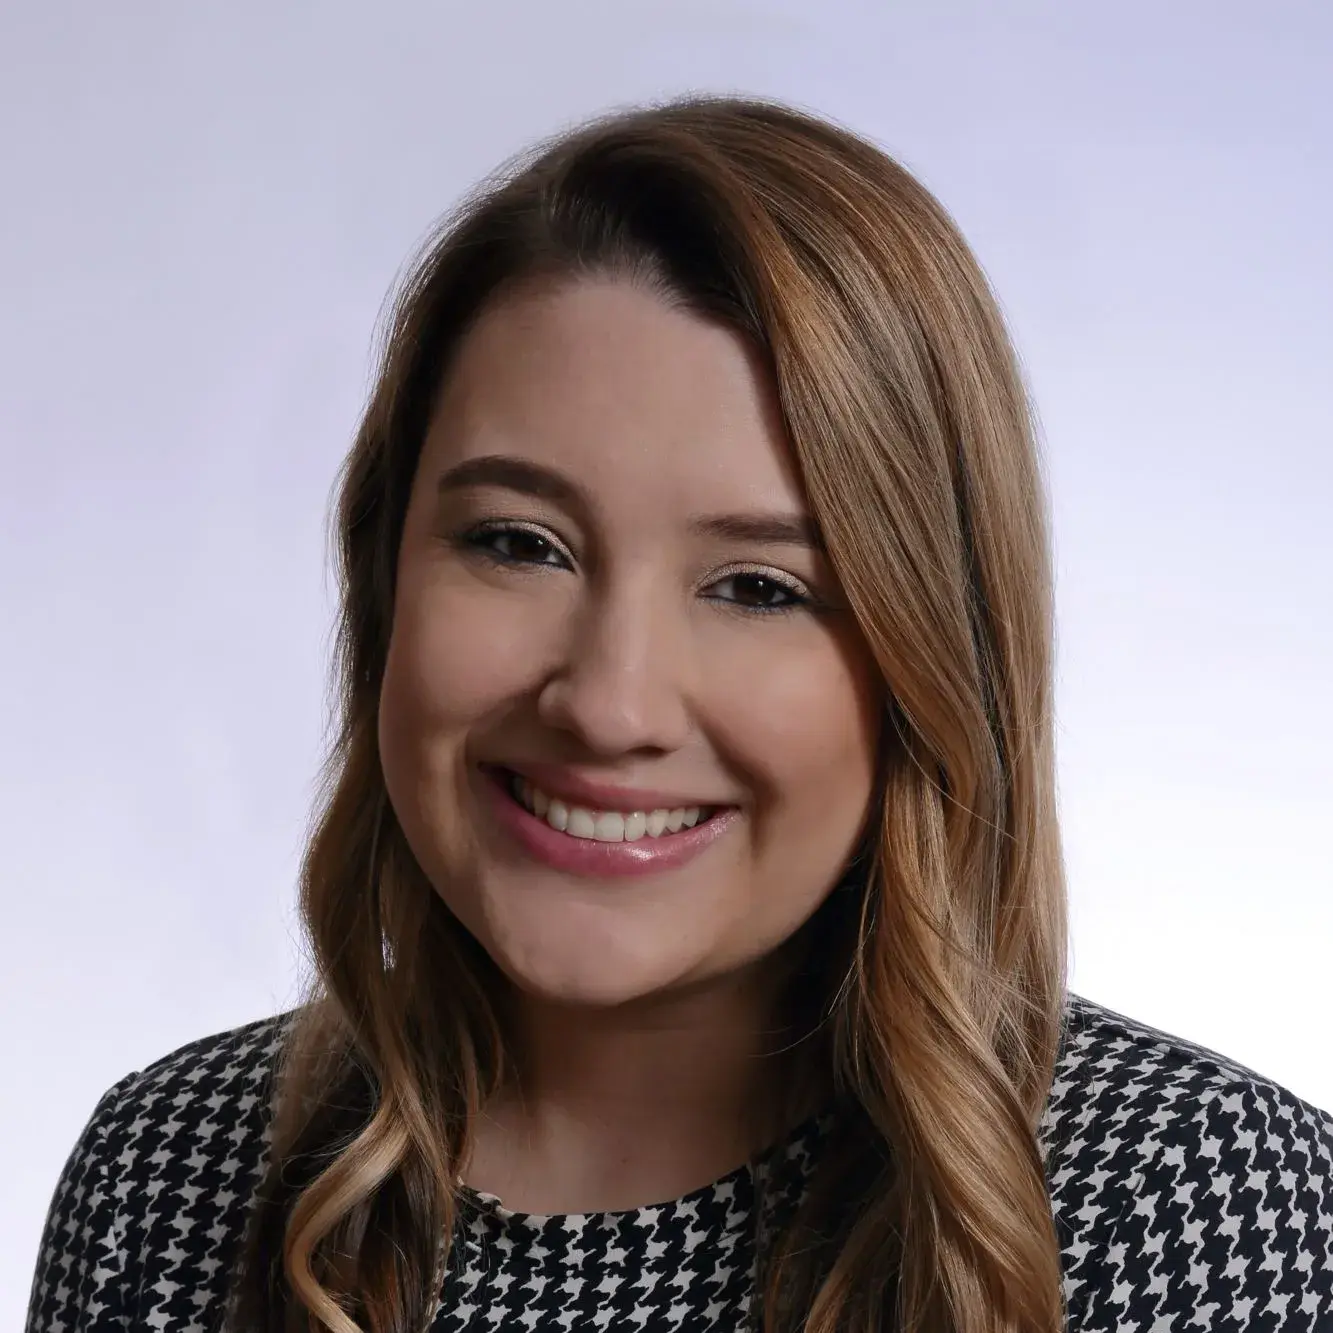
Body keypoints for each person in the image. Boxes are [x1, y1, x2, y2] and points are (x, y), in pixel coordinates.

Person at [24, 95, 1332, 1333]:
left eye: (761, 585)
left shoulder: (1185, 1199)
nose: (609, 702)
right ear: (383, 581)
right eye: (521, 543)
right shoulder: (170, 1179)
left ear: (935, 659)